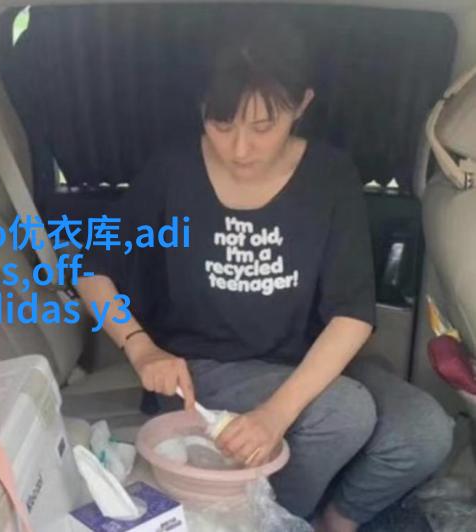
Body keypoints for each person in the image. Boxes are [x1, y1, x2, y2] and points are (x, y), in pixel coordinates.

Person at [75, 17, 453, 532]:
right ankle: (265, 523)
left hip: (301, 360)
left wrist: (276, 414)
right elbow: (91, 269)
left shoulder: (329, 176)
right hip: (201, 369)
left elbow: (351, 314)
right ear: (201, 108)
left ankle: (328, 522)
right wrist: (141, 348)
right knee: (343, 413)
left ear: (302, 105)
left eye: (263, 127)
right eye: (221, 124)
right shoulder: (172, 171)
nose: (240, 149)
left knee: (425, 431)